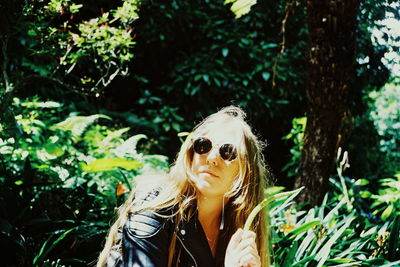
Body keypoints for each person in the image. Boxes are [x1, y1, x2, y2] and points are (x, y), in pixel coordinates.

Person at [97, 106, 271, 267]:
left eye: (227, 151)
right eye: (203, 145)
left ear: (246, 171)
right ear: (190, 153)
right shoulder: (154, 206)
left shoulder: (238, 231)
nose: (211, 158)